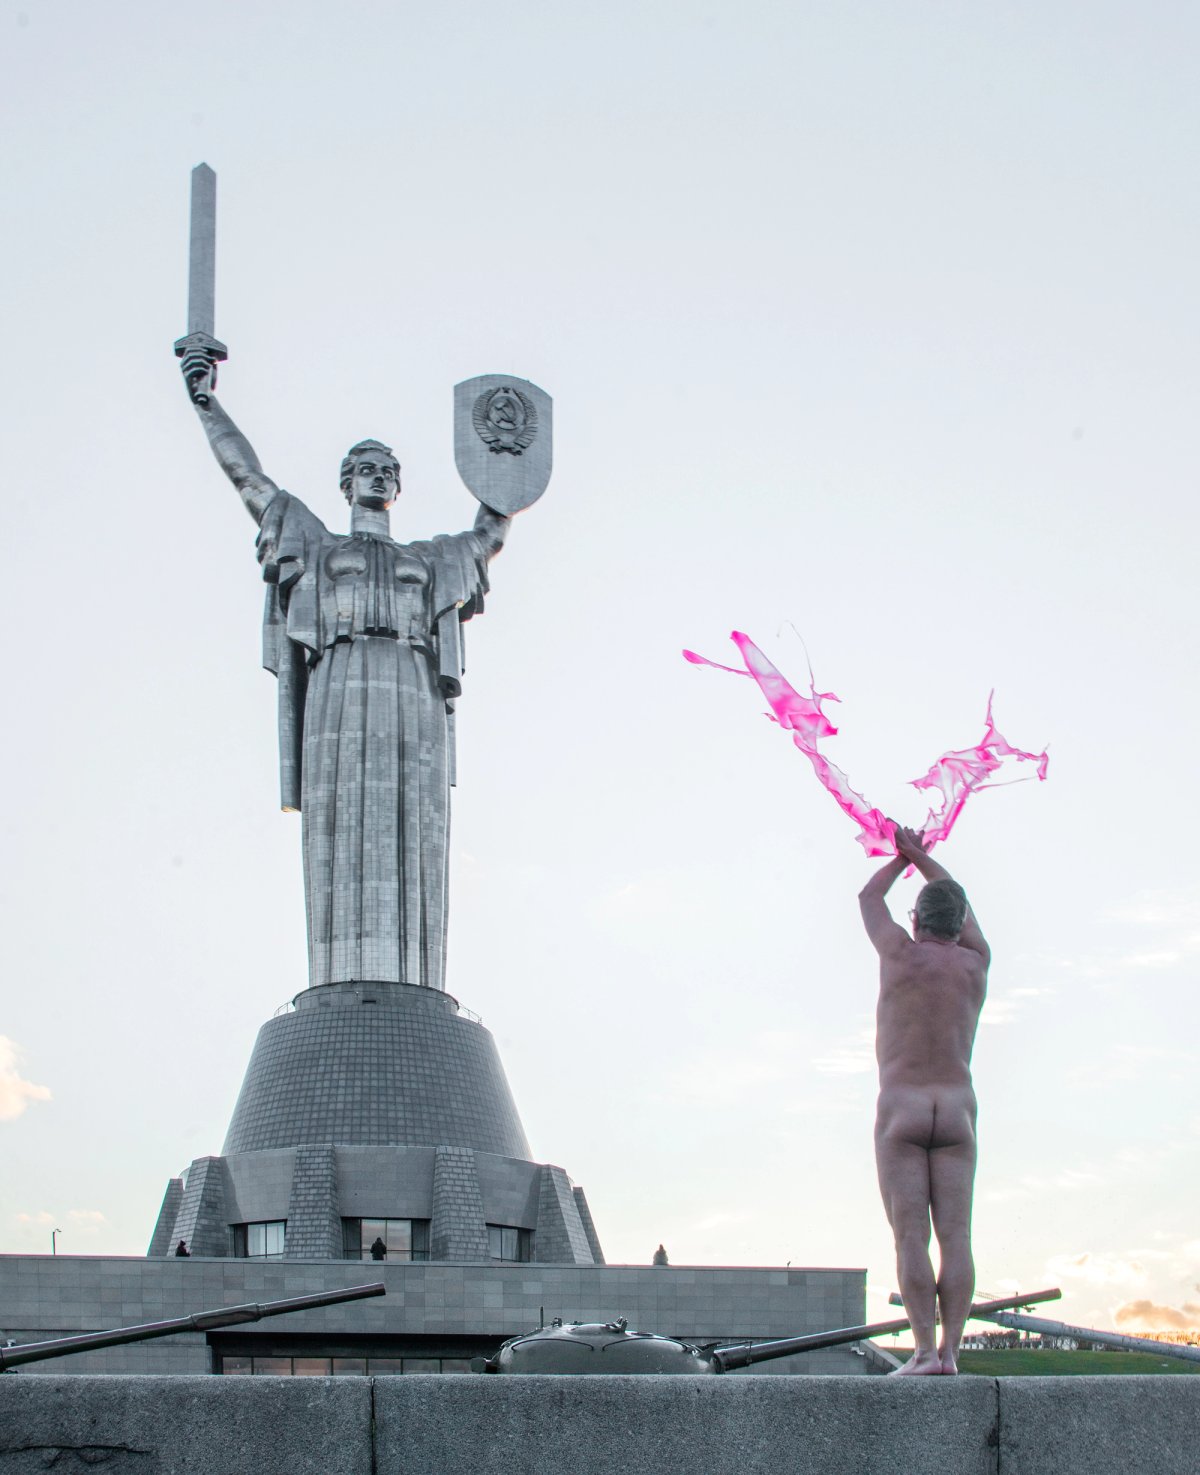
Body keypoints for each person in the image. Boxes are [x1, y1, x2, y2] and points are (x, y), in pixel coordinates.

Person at [180, 349, 510, 991]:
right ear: (346, 483)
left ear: (397, 487)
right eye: (365, 470)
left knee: (417, 824)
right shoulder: (316, 541)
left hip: (414, 685)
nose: (377, 478)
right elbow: (249, 479)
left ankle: (415, 981)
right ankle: (341, 979)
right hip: (339, 682)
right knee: (340, 821)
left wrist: (503, 463)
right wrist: (206, 402)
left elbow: (490, 532)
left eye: (387, 471)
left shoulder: (432, 557)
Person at [858, 825, 989, 1376]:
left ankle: (923, 1351)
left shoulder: (898, 954)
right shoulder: (976, 961)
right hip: (956, 1109)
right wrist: (923, 857)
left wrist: (900, 858)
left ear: (915, 920)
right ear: (959, 923)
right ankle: (951, 1353)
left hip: (903, 1108)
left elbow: (869, 897)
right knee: (957, 1236)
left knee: (910, 1236)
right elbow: (958, 897)